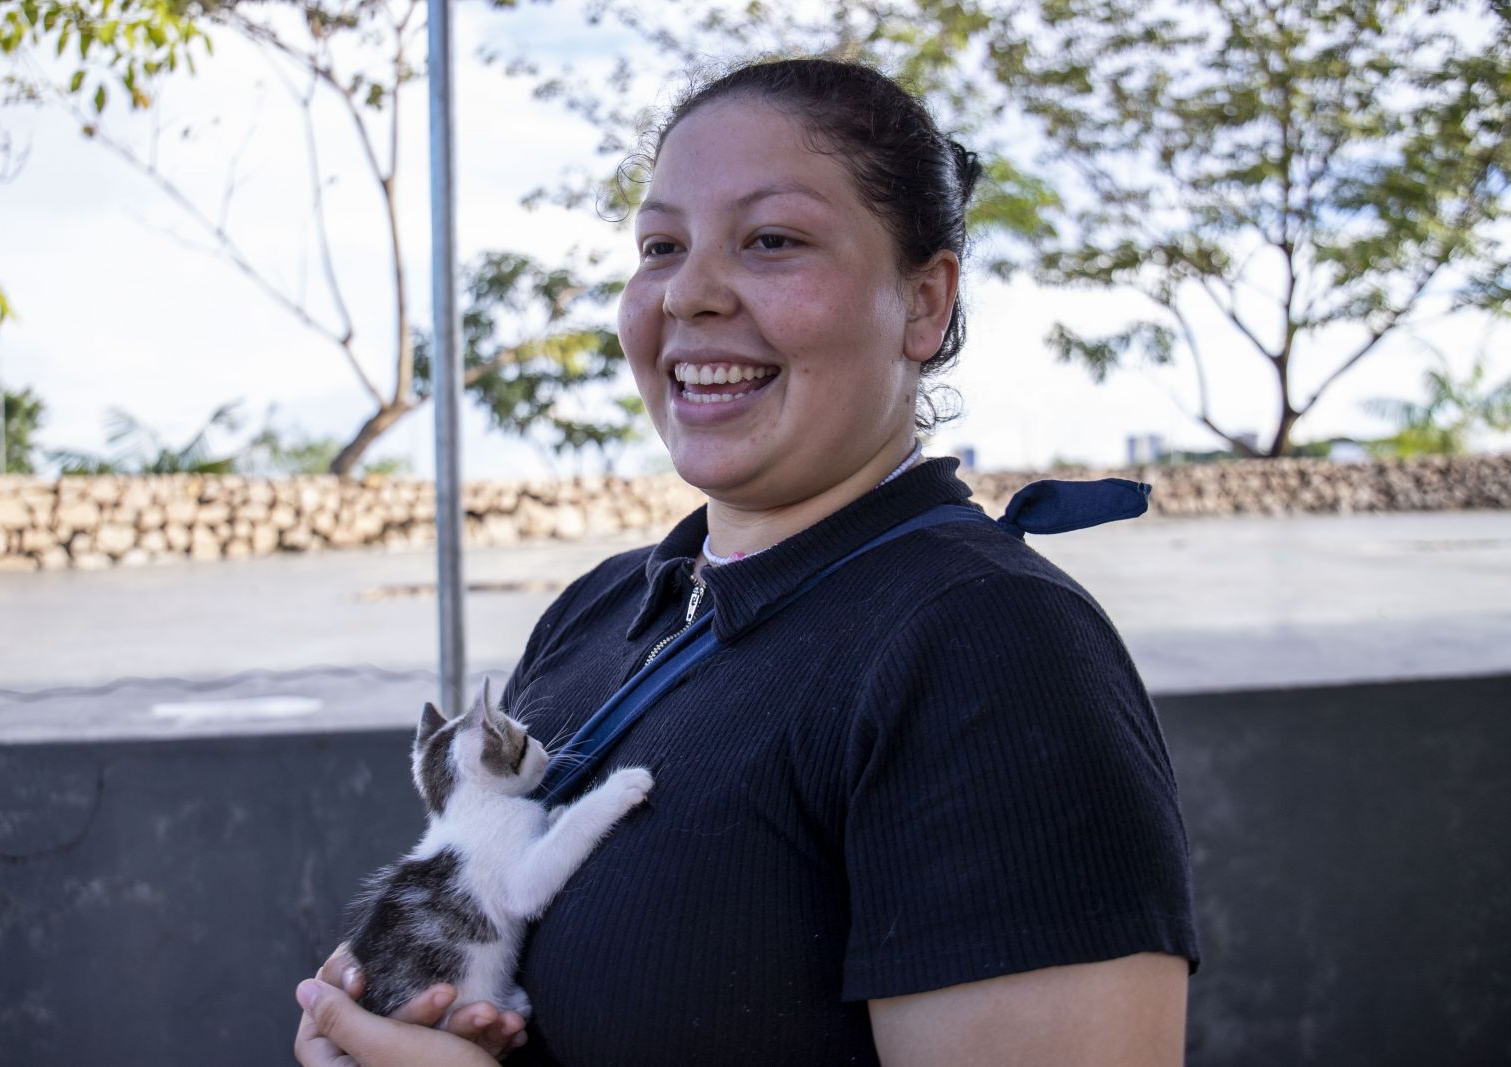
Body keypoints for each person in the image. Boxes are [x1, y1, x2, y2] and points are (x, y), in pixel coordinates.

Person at [295, 56, 1199, 1067]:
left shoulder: (988, 648)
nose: (689, 291)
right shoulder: (605, 608)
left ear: (924, 304)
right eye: (659, 245)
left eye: (771, 240)